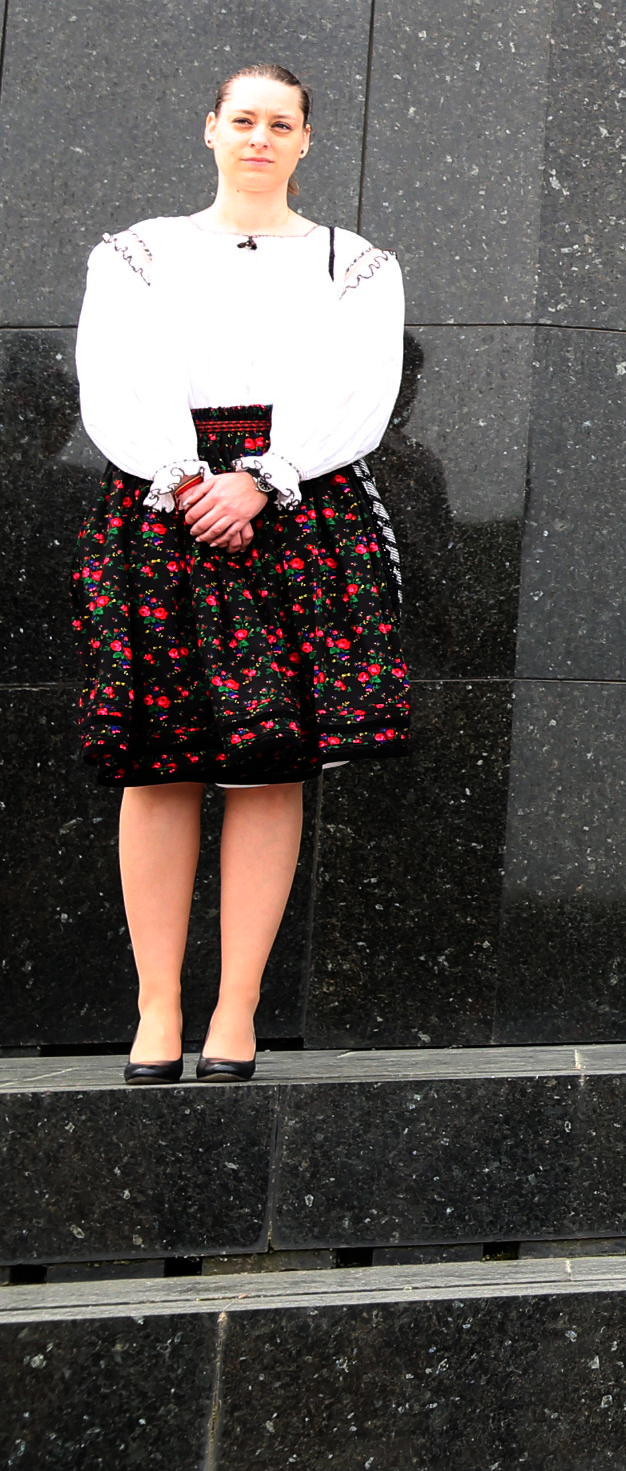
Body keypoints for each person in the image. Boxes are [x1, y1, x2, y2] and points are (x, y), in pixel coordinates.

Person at [73, 63, 410, 1081]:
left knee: (271, 762)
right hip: (160, 500)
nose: (260, 137)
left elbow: (366, 386)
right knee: (158, 760)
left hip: (295, 503)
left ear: (307, 141)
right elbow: (112, 374)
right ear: (209, 127)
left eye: (282, 123)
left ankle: (236, 1009)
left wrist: (263, 478)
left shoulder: (358, 264)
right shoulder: (136, 254)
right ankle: (157, 1006)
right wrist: (184, 476)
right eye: (244, 119)